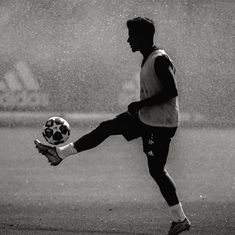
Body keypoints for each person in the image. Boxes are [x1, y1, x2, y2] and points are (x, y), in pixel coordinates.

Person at [34, 17, 191, 235]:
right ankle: (59, 153)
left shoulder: (159, 59)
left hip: (160, 125)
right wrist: (141, 107)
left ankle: (180, 220)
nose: (128, 40)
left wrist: (140, 103)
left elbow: (171, 91)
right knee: (107, 127)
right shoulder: (148, 57)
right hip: (147, 118)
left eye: (132, 35)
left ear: (143, 37)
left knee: (156, 171)